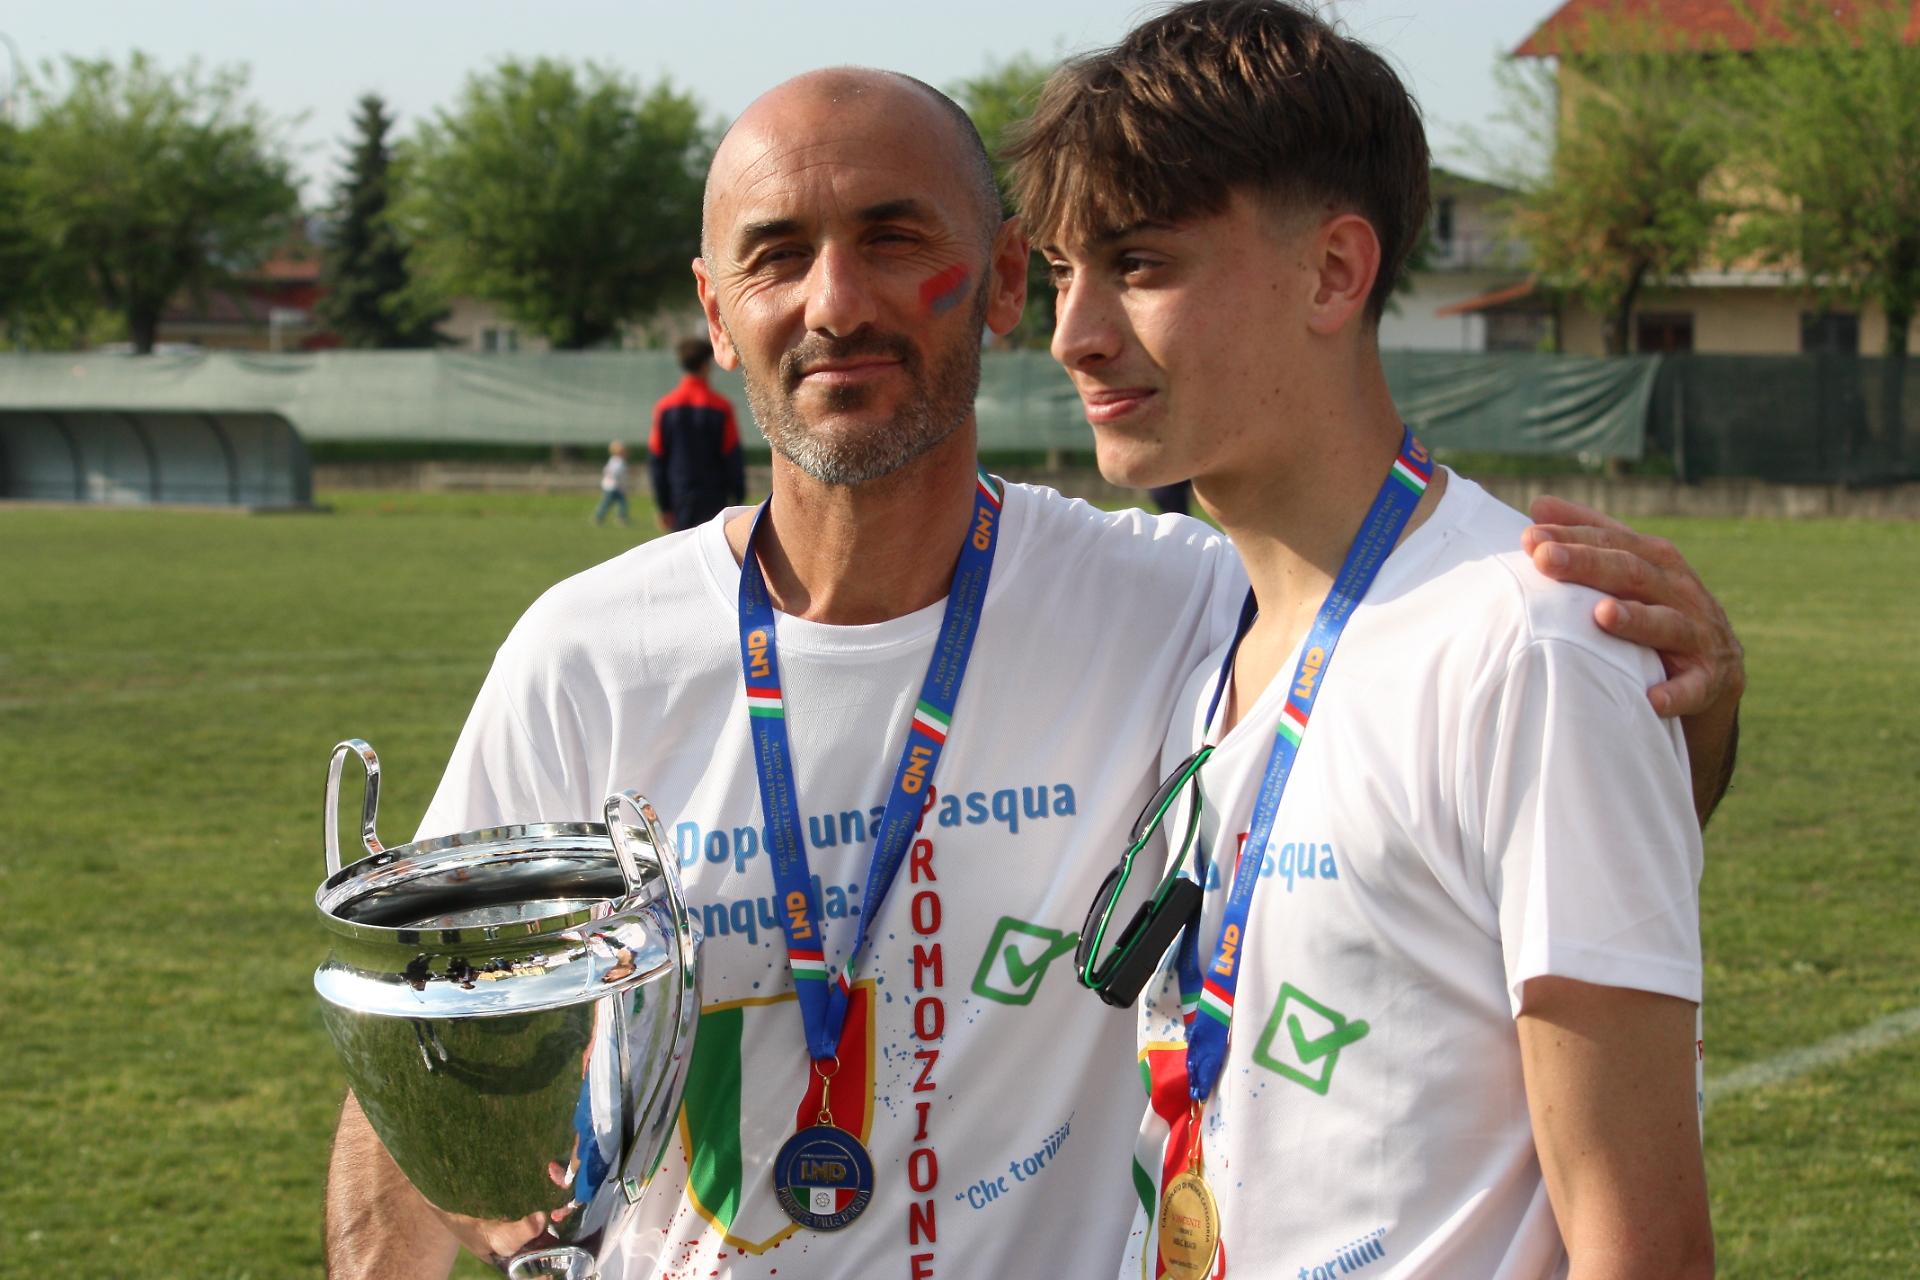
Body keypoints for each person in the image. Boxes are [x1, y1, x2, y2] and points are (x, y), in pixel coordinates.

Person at [324, 67, 1741, 1280]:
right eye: (777, 254)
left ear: (1004, 278)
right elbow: (426, 1050)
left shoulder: (1181, 604)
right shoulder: (586, 656)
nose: (835, 301)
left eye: (895, 239)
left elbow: (1473, 779)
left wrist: (1675, 703)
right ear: (715, 302)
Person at [1008, 4, 1721, 1277]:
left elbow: (1642, 1241)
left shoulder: (1530, 641)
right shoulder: (1206, 634)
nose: (1074, 332)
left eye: (1140, 263)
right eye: (1064, 272)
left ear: (1335, 273)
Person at [649, 336, 747, 532]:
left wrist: (664, 506)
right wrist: (738, 496)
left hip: (679, 495)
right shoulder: (722, 407)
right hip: (714, 496)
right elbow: (732, 456)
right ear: (705, 365)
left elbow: (657, 459)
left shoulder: (664, 407)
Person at [594, 442, 631, 527]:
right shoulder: (618, 461)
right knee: (608, 502)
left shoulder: (614, 460)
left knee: (621, 503)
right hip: (612, 486)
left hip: (613, 486)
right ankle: (599, 517)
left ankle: (621, 518)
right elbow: (614, 472)